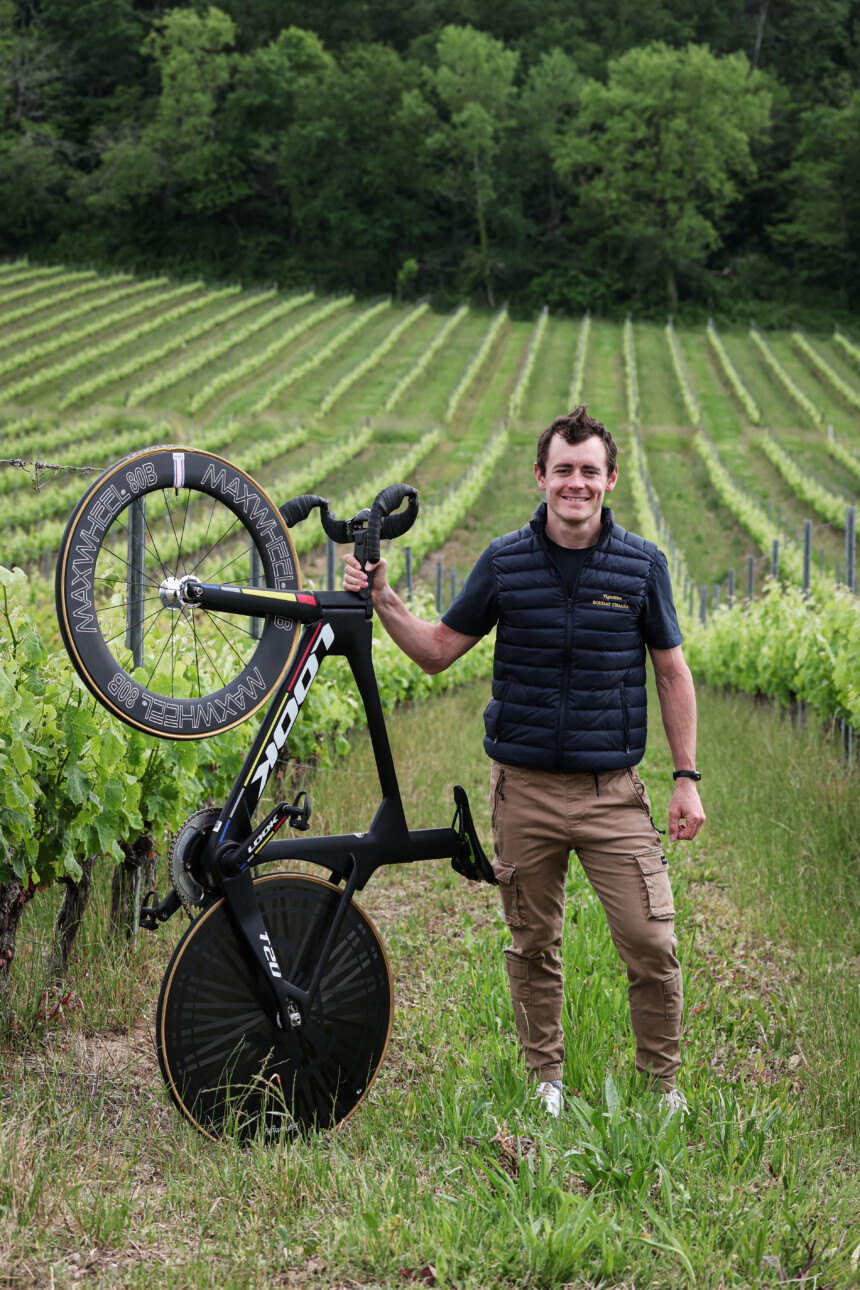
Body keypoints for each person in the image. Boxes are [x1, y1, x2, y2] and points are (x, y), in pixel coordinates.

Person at [343, 406, 706, 1117]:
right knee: (533, 942)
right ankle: (547, 1079)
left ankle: (663, 1087)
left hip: (613, 794)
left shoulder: (641, 566)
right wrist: (383, 597)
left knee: (651, 942)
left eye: (589, 471)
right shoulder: (506, 562)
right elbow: (439, 649)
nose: (577, 483)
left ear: (610, 480)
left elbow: (671, 673)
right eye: (563, 469)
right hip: (525, 793)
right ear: (541, 477)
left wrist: (685, 779)